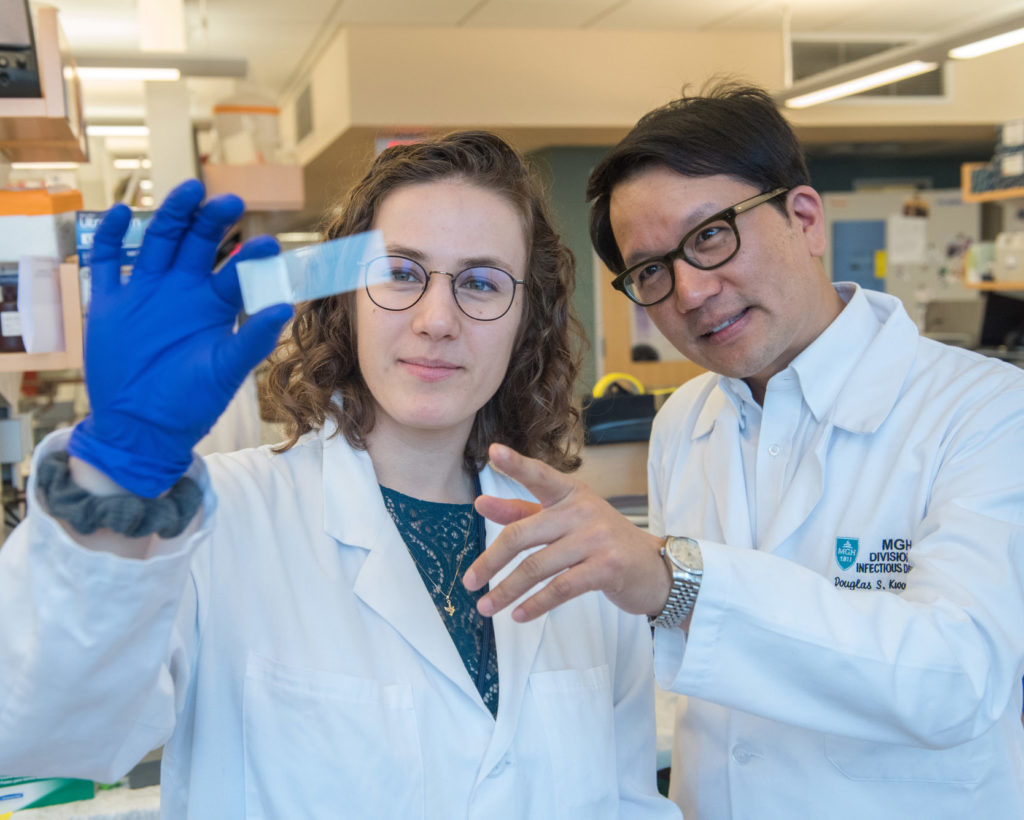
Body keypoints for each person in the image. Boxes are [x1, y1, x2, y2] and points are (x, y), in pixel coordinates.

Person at [0, 132, 679, 819]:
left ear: (526, 319)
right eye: (400, 273)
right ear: (345, 300)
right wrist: (116, 473)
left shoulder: (578, 550)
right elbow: (44, 736)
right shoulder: (220, 522)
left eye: (480, 282)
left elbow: (625, 802)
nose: (437, 320)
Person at [462, 84, 1024, 819]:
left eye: (710, 235)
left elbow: (958, 679)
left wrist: (678, 580)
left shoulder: (984, 410)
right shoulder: (685, 420)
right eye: (653, 271)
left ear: (805, 217)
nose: (691, 291)